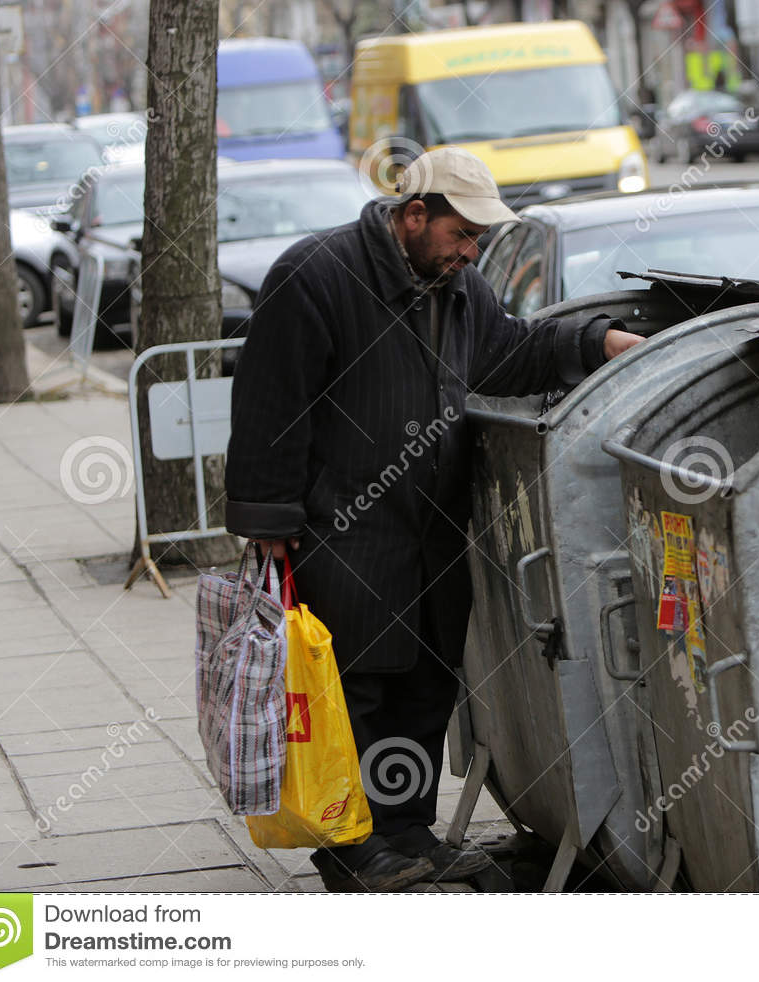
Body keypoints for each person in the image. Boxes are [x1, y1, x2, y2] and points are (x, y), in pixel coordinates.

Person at [224, 147, 643, 891]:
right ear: (414, 215)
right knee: (354, 691)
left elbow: (508, 353)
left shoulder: (457, 287)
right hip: (343, 531)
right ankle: (350, 845)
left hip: (431, 534)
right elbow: (268, 406)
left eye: (478, 239)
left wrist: (593, 342)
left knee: (425, 685)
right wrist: (268, 516)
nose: (472, 251)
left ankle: (407, 828)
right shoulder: (316, 276)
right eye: (463, 234)